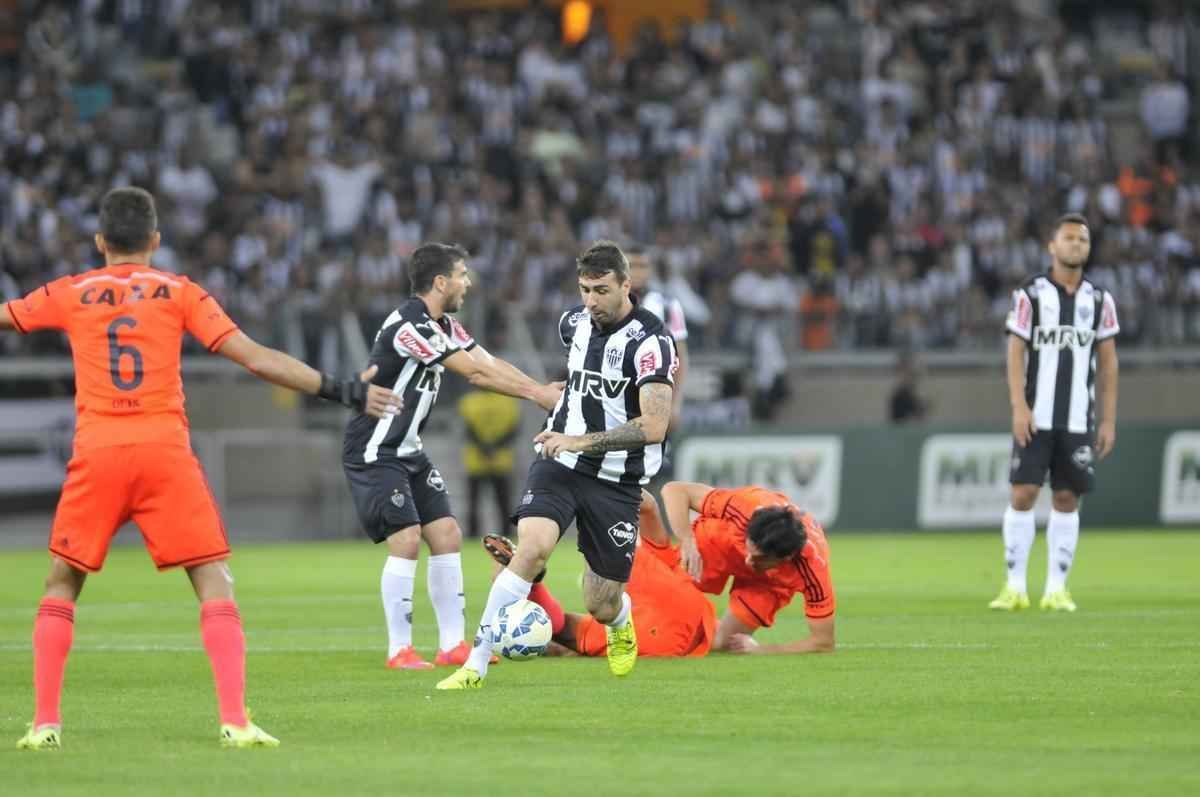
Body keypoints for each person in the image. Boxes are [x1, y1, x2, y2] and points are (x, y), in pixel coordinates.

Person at [2, 187, 403, 751]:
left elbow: (6, 318)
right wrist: (342, 390)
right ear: (155, 242)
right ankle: (235, 720)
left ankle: (45, 723)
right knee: (214, 581)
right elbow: (256, 357)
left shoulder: (71, 292)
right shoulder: (178, 292)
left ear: (99, 242)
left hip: (98, 453)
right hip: (165, 452)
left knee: (62, 582)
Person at [437, 240, 677, 689]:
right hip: (560, 461)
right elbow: (582, 380)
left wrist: (582, 438)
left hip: (615, 480)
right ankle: (475, 664)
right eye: (585, 289)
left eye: (602, 290)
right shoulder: (575, 324)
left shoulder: (651, 342)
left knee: (600, 601)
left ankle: (620, 623)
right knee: (531, 549)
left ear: (627, 285)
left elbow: (655, 425)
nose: (591, 301)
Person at [342, 243, 562, 670]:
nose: (468, 283)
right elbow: (476, 374)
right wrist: (537, 394)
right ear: (440, 281)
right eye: (462, 274)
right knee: (406, 540)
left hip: (408, 450)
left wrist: (539, 388)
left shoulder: (444, 324)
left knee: (446, 534)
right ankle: (399, 650)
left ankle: (452, 646)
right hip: (375, 449)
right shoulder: (411, 325)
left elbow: (488, 360)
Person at [990, 213, 1119, 612]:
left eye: (1082, 239)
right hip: (1036, 416)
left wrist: (1110, 420)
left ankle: (1056, 589)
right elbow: (1015, 349)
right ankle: (1014, 586)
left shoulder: (1099, 301)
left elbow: (1109, 363)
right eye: (1068, 238)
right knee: (1023, 492)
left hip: (1079, 418)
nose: (1076, 244)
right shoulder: (1030, 294)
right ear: (1052, 246)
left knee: (1067, 497)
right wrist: (1018, 406)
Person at [480, 489, 717, 659]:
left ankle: (531, 584)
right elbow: (649, 506)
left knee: (571, 631)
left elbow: (649, 507)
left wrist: (615, 486)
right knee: (573, 632)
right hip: (678, 622)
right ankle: (533, 587)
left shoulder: (665, 560)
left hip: (658, 633)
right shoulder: (669, 567)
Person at [659, 480, 836, 654]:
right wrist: (687, 539)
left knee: (723, 644)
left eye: (759, 558)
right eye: (749, 550)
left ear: (786, 558)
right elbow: (674, 490)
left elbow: (823, 642)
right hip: (722, 545)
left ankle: (702, 625)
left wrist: (762, 650)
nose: (749, 561)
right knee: (664, 597)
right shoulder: (745, 507)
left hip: (769, 583)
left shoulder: (812, 570)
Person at [627, 246, 688, 431]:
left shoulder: (667, 306)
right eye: (631, 266)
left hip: (653, 394)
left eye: (642, 266)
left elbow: (680, 358)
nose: (637, 272)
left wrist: (675, 405)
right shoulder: (607, 306)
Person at [457, 388, 521, 540]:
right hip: (500, 457)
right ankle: (506, 532)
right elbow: (514, 429)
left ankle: (473, 532)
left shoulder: (468, 401)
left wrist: (483, 447)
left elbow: (467, 429)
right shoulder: (508, 401)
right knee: (502, 499)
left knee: (475, 499)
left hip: (476, 457)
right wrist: (495, 447)